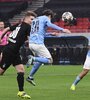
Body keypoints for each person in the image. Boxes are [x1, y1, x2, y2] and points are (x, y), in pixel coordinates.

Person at [26, 9, 71, 86]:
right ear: (49, 16)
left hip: (31, 44)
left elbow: (40, 33)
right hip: (38, 44)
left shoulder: (35, 20)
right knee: (49, 60)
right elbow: (50, 25)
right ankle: (32, 58)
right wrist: (62, 29)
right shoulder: (45, 18)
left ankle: (30, 76)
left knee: (40, 61)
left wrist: (51, 34)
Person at [0, 11, 37, 99]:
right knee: (0, 72)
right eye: (32, 19)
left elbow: (7, 29)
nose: (32, 21)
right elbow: (30, 40)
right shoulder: (28, 27)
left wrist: (1, 37)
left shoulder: (19, 24)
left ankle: (21, 92)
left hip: (14, 51)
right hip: (10, 51)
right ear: (26, 18)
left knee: (21, 71)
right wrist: (35, 50)